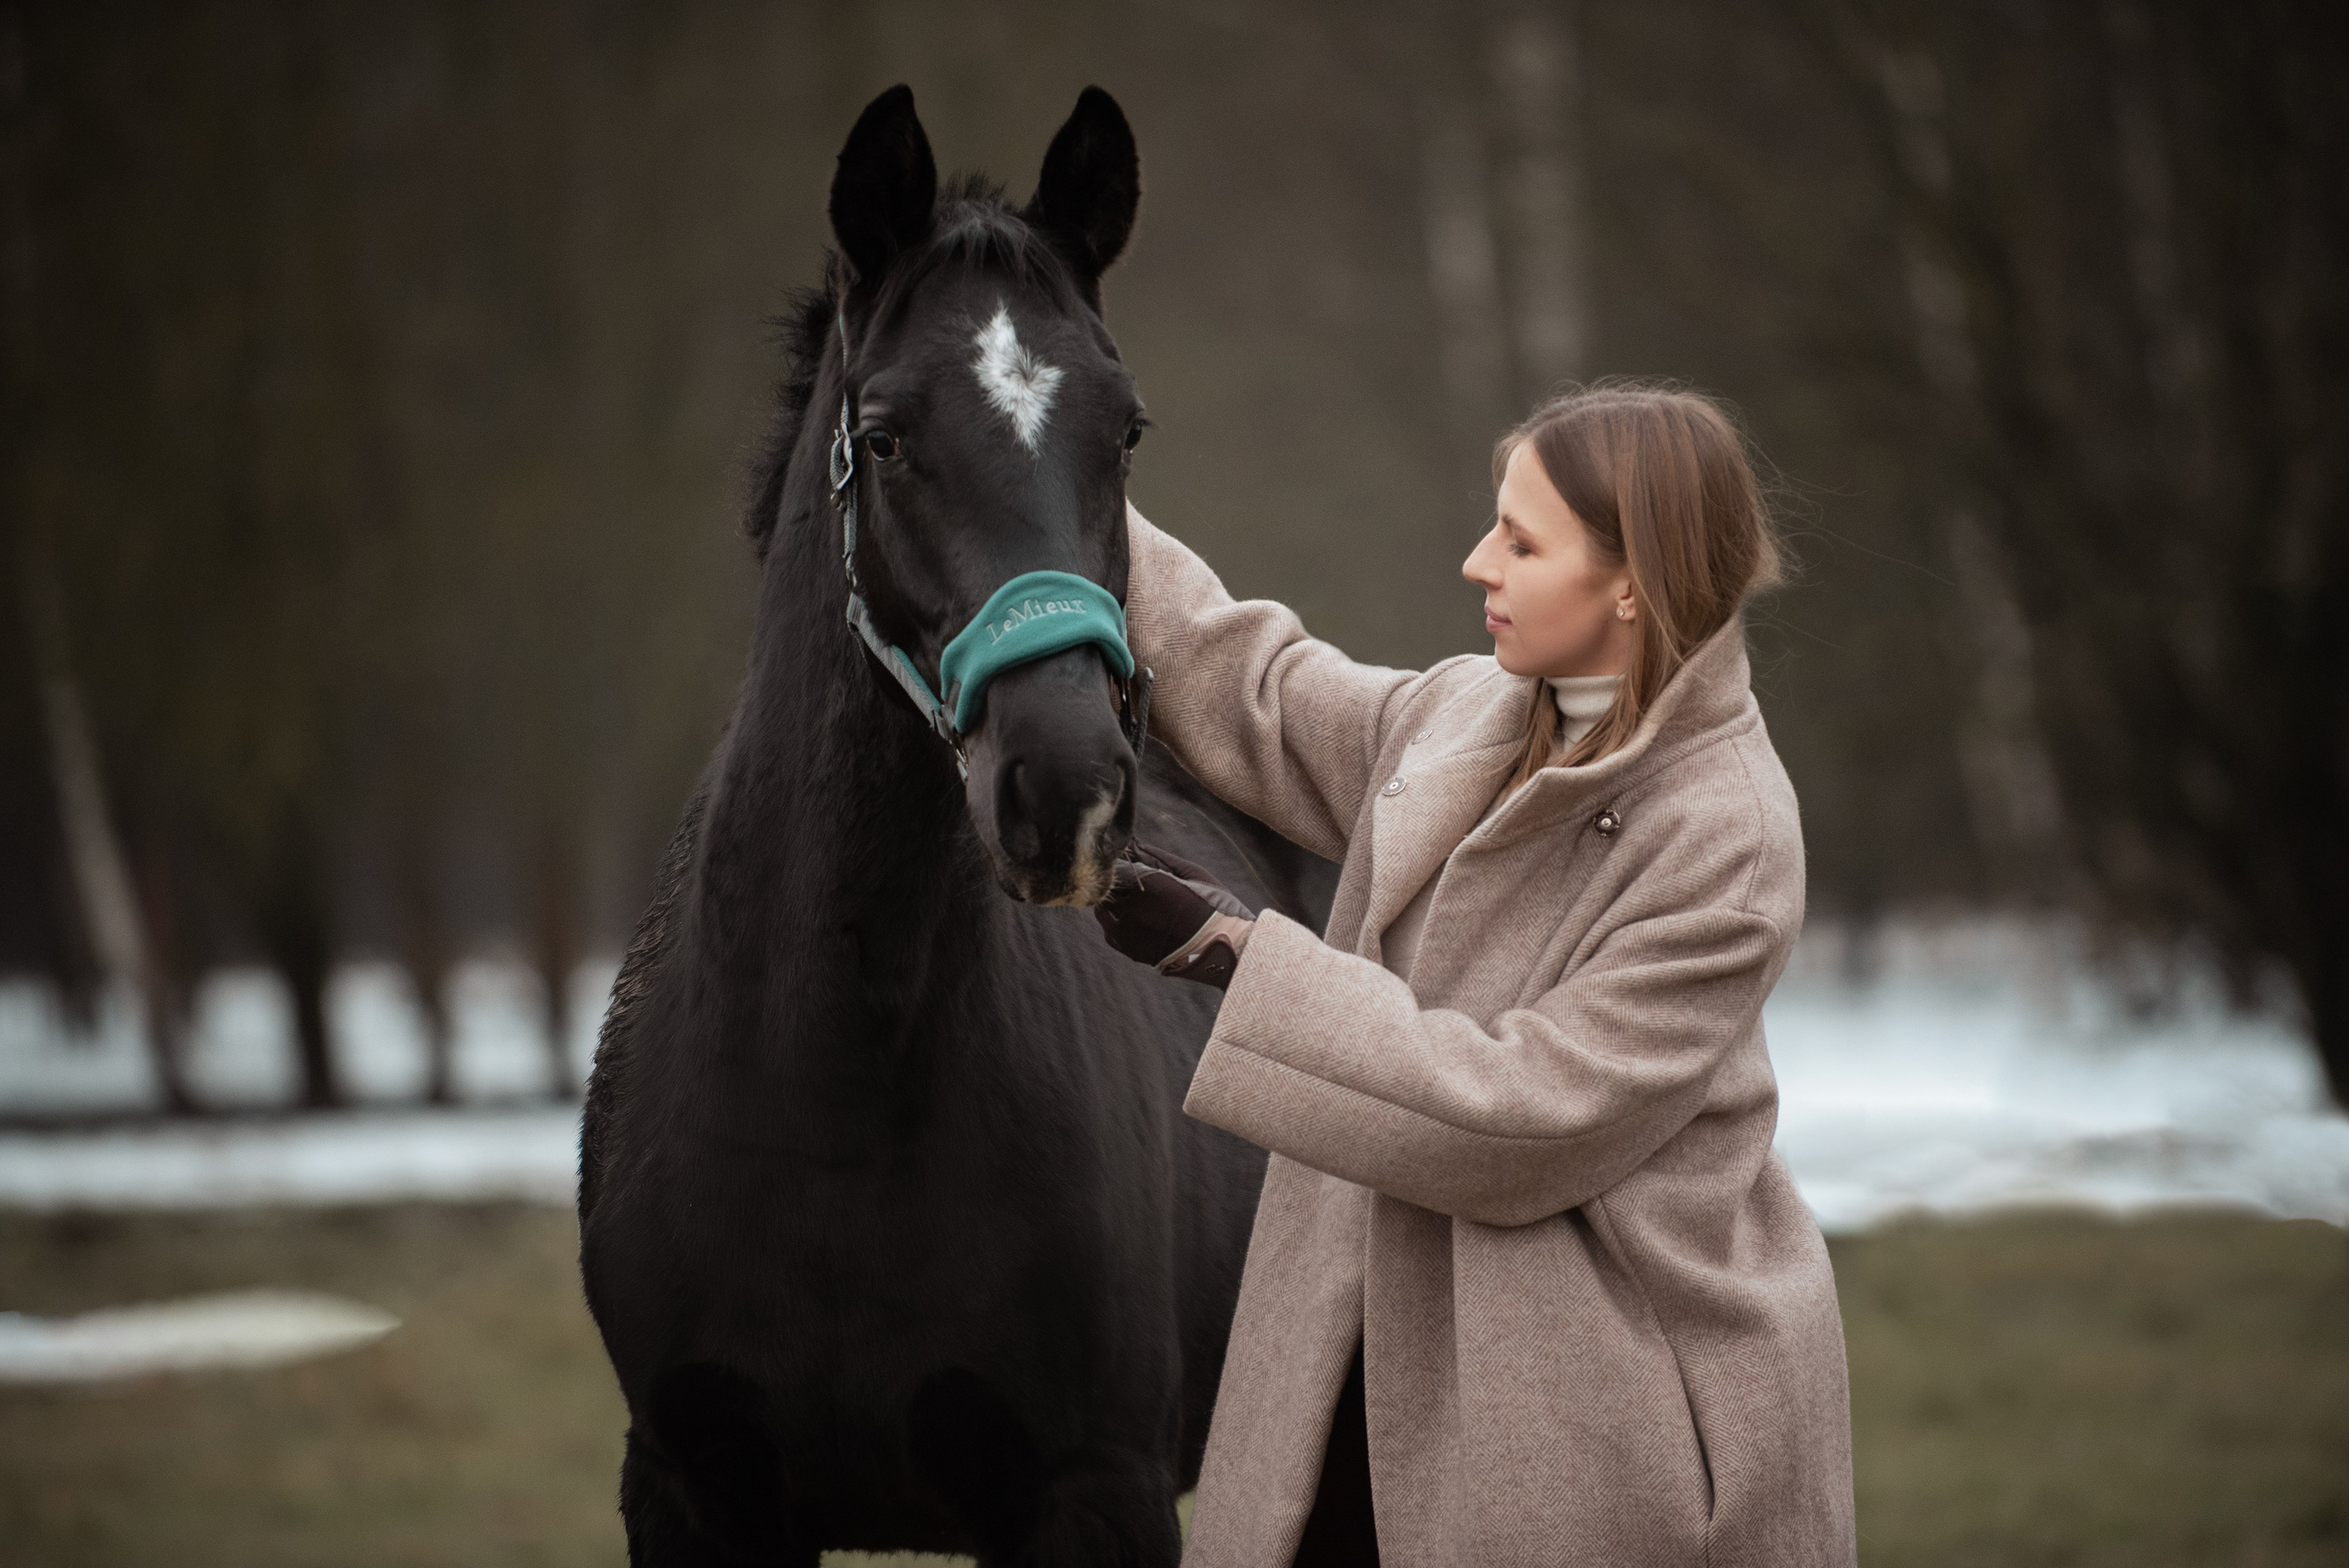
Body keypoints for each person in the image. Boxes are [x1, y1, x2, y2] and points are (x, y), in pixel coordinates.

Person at [1093, 384, 1856, 1567]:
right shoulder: (1468, 715)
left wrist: (1242, 958)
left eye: (1521, 539)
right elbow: (1259, 689)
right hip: (1337, 1375)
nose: (1475, 561)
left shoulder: (1729, 838)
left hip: (1600, 1425)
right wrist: (1059, 484)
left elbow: (1522, 1118)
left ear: (1632, 584)